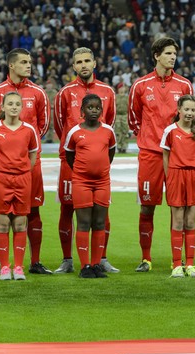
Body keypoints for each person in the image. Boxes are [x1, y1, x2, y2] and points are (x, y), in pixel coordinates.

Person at [128, 36, 194, 272]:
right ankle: (146, 258)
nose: (172, 57)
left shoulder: (184, 85)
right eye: (168, 53)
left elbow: (189, 117)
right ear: (156, 56)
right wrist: (148, 138)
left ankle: (179, 260)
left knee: (180, 207)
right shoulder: (141, 85)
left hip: (177, 155)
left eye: (174, 53)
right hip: (150, 154)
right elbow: (133, 118)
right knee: (147, 206)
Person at [52, 47, 119, 275]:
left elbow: (107, 127)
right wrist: (73, 151)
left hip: (97, 162)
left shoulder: (107, 91)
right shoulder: (64, 92)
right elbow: (61, 125)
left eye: (87, 61)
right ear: (73, 66)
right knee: (67, 208)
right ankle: (67, 259)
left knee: (102, 211)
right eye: (79, 62)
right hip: (70, 159)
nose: (83, 65)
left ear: (95, 63)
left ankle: (101, 258)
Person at [0, 48, 51, 276]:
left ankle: (34, 261)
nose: (29, 65)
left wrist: (24, 150)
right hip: (3, 169)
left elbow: (41, 127)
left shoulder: (38, 93)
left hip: (29, 164)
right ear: (11, 65)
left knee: (33, 212)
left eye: (30, 62)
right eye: (24, 62)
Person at [0, 92, 40, 281]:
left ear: (22, 107)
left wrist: (24, 172)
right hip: (1, 180)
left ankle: (19, 267)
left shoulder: (29, 130)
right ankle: (5, 267)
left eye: (17, 104)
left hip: (22, 180)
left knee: (20, 223)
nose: (14, 107)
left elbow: (32, 155)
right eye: (10, 104)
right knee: (2, 223)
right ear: (3, 107)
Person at [64, 94, 117, 279]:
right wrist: (83, 171)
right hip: (81, 182)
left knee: (100, 222)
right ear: (82, 111)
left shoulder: (108, 131)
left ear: (102, 111)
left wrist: (100, 170)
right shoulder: (75, 132)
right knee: (84, 222)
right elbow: (69, 155)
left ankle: (96, 265)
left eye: (97, 108)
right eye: (90, 107)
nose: (94, 111)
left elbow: (111, 153)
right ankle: (85, 265)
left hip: (103, 182)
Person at [162, 95, 195, 278]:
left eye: (193, 110)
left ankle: (189, 264)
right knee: (178, 220)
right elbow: (165, 155)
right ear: (179, 110)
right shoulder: (170, 131)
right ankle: (176, 265)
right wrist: (169, 176)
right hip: (175, 175)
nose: (190, 113)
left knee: (190, 221)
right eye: (186, 109)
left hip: (193, 176)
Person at [114, 84, 129, 153]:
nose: (122, 89)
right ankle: (119, 146)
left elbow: (129, 107)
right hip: (117, 116)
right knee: (118, 132)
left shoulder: (127, 97)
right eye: (121, 87)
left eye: (123, 87)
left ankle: (124, 147)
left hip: (125, 116)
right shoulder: (115, 97)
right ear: (118, 89)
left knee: (125, 132)